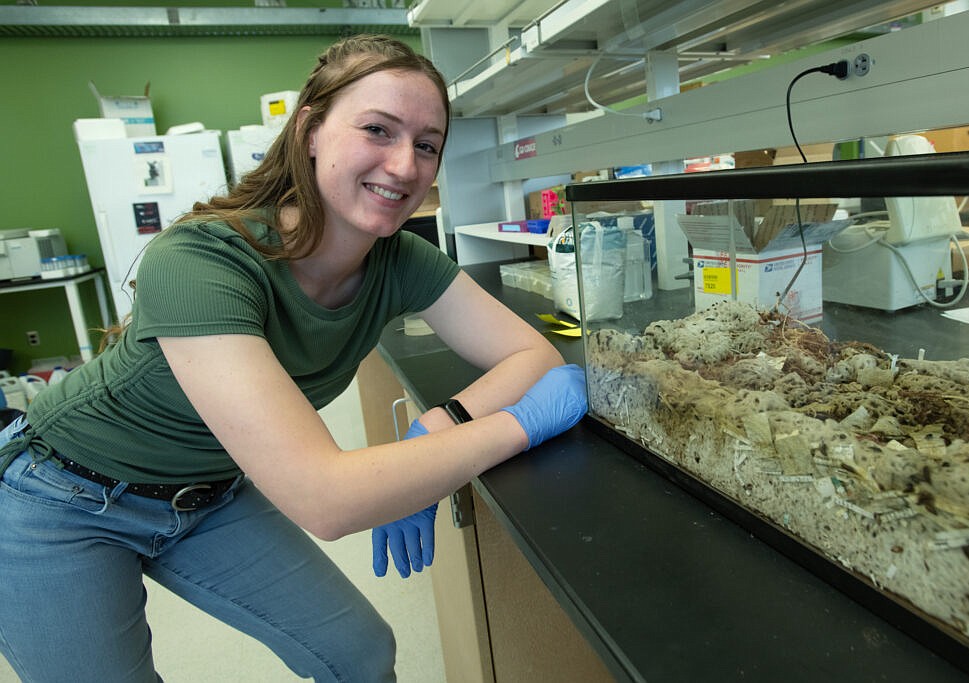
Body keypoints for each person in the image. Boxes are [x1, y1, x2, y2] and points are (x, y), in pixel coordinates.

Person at [0, 34, 586, 682]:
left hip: (206, 495)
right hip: (61, 497)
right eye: (377, 130)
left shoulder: (397, 259)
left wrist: (442, 420)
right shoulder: (200, 261)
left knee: (361, 654)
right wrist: (513, 426)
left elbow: (530, 353)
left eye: (426, 145)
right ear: (310, 128)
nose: (403, 164)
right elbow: (324, 497)